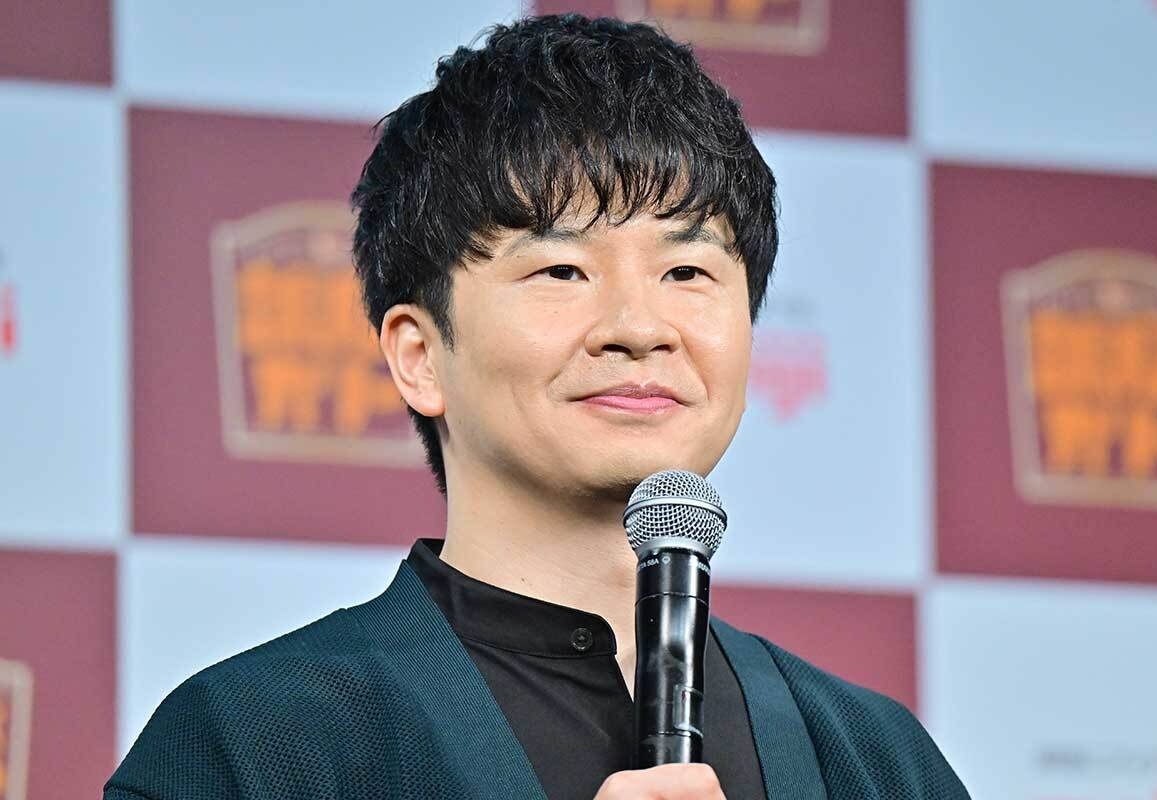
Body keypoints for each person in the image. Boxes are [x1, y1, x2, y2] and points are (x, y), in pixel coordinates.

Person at [104, 13, 969, 800]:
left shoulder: (876, 759)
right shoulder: (251, 745)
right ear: (419, 356)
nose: (639, 328)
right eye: (563, 270)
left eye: (687, 271)